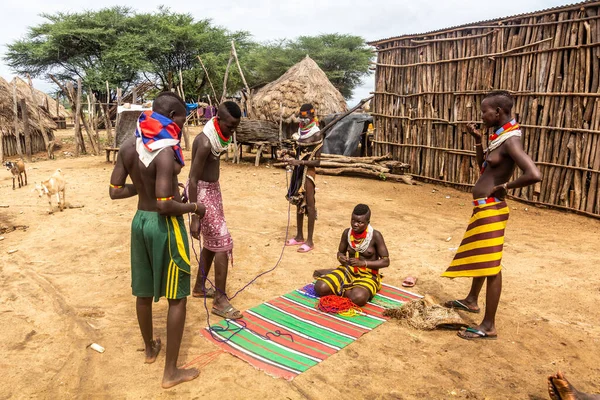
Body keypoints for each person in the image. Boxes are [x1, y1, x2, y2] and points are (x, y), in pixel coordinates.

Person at [109, 91, 204, 388]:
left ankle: (150, 349)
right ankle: (170, 372)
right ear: (174, 117)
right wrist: (193, 207)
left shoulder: (128, 145)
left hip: (140, 223)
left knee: (144, 291)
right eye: (182, 118)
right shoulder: (164, 150)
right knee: (177, 297)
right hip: (165, 226)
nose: (182, 123)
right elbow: (165, 203)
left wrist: (142, 187)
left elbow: (114, 190)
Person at [442, 90, 542, 340]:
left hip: (492, 207)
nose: (482, 115)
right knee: (482, 255)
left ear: (498, 112)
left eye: (485, 111)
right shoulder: (500, 137)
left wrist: (506, 187)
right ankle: (472, 300)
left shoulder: (511, 140)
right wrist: (477, 140)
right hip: (483, 205)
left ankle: (489, 325)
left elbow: (533, 173)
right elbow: (484, 168)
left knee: (491, 265)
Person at [188, 101, 242, 320]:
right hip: (202, 195)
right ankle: (220, 300)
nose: (232, 131)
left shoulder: (218, 139)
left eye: (235, 127)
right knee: (222, 243)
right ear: (218, 120)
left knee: (212, 242)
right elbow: (192, 179)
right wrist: (194, 213)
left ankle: (200, 287)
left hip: (213, 191)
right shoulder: (204, 142)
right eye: (230, 127)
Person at [313, 204, 390, 306]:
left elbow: (386, 261)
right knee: (320, 287)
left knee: (358, 298)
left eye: (360, 222)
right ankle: (348, 291)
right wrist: (341, 258)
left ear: (368, 222)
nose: (355, 224)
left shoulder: (375, 235)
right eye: (353, 220)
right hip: (348, 270)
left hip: (368, 275)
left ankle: (342, 290)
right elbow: (340, 253)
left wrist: (363, 263)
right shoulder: (347, 233)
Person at [282, 104, 323, 253]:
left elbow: (317, 161)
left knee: (309, 204)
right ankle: (299, 236)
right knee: (298, 202)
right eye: (301, 117)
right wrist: (288, 154)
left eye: (306, 117)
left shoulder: (316, 134)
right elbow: (299, 153)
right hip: (298, 171)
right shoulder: (300, 131)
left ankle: (310, 241)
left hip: (308, 172)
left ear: (312, 116)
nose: (303, 120)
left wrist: (299, 162)